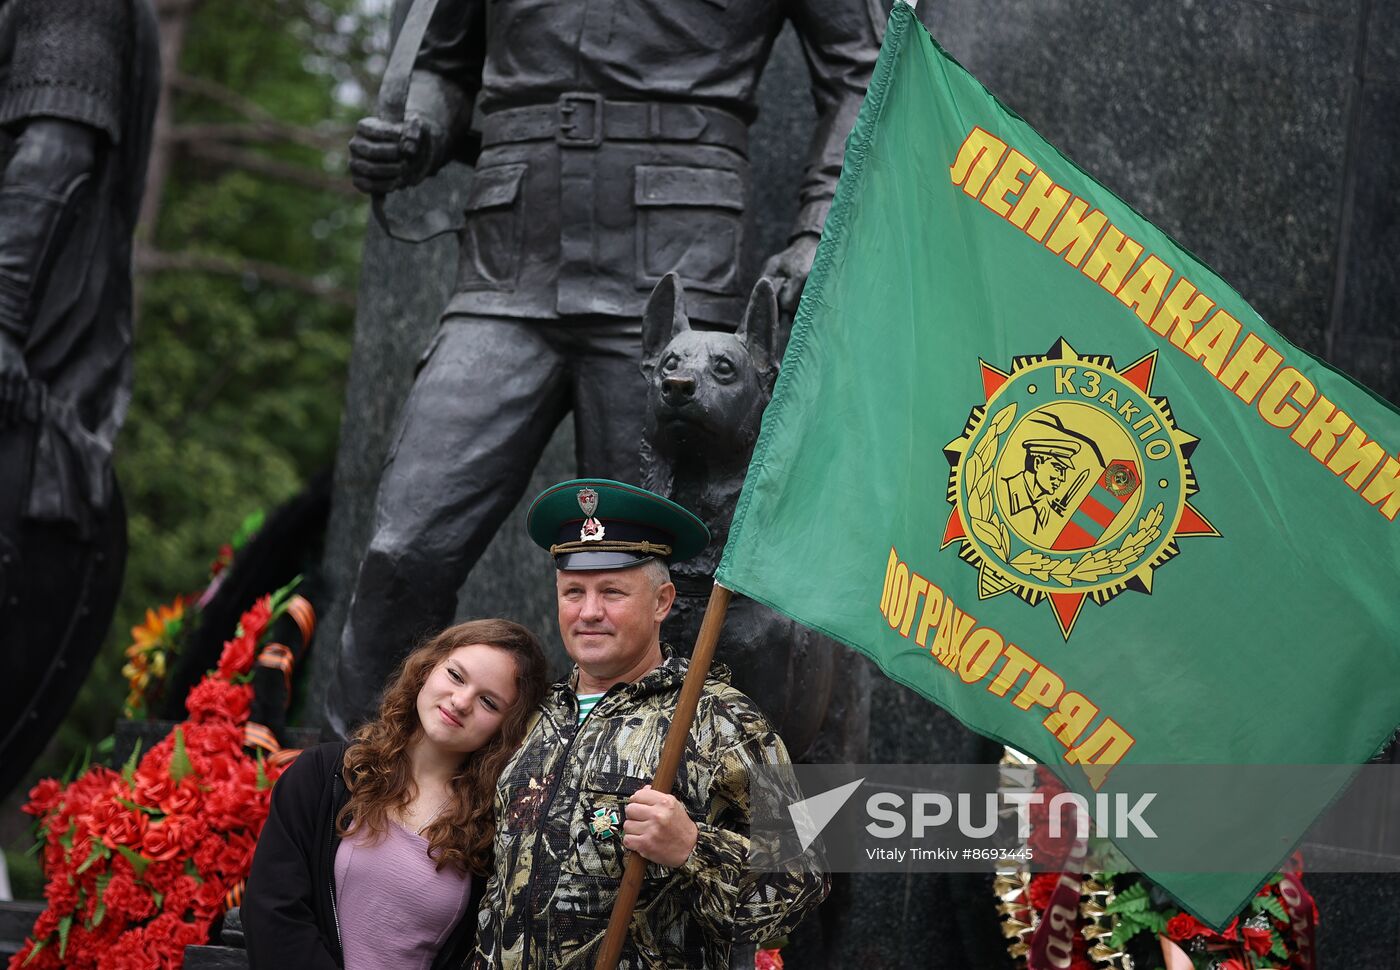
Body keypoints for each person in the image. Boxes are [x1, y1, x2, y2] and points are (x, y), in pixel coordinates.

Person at [327, 0, 883, 736]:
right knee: (403, 549)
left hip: (672, 269)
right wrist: (417, 130)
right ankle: (352, 810)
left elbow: (867, 72)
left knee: (652, 584)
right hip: (511, 261)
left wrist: (820, 222)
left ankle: (635, 826)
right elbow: (443, 64)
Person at [470, 478, 827, 969]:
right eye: (574, 591)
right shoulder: (529, 714)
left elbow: (805, 877)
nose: (589, 612)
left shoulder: (719, 719)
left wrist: (693, 847)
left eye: (612, 592)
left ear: (662, 602)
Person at [244, 619, 549, 970]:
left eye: (488, 702)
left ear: (506, 729)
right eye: (456, 675)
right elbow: (273, 909)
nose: (461, 701)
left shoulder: (490, 834)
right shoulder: (326, 776)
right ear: (427, 669)